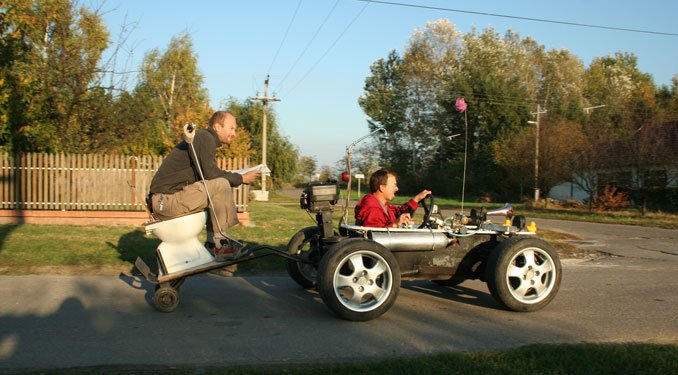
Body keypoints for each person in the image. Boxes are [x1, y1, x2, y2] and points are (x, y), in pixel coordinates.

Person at [149, 111, 260, 260]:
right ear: (217, 127)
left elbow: (208, 175)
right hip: (166, 201)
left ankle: (212, 244)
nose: (234, 134)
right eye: (231, 128)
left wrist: (237, 177)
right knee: (220, 184)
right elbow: (212, 174)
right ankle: (221, 245)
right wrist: (241, 178)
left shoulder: (203, 139)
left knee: (215, 188)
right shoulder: (204, 137)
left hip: (166, 200)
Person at [354, 169, 431, 228]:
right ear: (382, 188)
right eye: (394, 185)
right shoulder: (373, 208)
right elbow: (374, 235)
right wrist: (395, 224)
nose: (397, 188)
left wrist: (417, 199)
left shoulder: (382, 205)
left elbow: (398, 213)